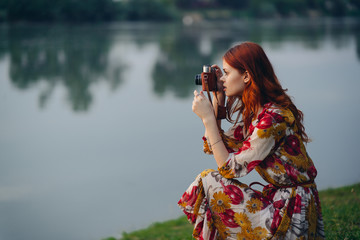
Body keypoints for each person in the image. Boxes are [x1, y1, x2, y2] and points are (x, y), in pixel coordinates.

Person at [178, 42, 325, 240]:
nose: (222, 79)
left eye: (227, 73)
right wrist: (218, 103)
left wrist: (207, 119)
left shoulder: (273, 117)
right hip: (280, 203)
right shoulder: (257, 115)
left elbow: (228, 169)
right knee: (207, 181)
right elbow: (213, 145)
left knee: (209, 180)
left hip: (291, 215)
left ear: (246, 76)